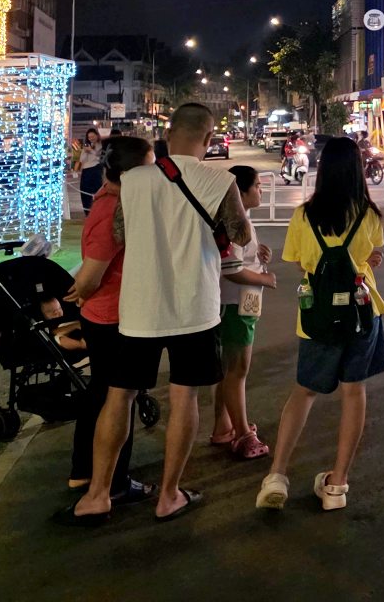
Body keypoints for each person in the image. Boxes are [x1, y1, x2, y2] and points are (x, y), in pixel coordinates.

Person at [64, 103, 252, 525]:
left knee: (119, 396)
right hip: (194, 310)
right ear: (208, 139)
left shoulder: (133, 180)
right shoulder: (219, 179)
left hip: (138, 308)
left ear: (168, 133)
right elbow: (241, 234)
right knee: (185, 396)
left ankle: (97, 495)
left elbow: (119, 234)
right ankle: (169, 496)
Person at [256, 137, 384, 513]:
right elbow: (371, 255)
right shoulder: (369, 214)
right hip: (363, 314)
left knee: (304, 392)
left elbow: (299, 263)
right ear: (358, 170)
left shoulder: (304, 215)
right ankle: (337, 485)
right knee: (353, 393)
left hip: (316, 318)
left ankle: (277, 474)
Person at [65, 136, 156, 502]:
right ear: (132, 173)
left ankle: (83, 471)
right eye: (149, 167)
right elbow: (92, 273)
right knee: (118, 400)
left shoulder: (111, 202)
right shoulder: (114, 210)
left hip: (103, 315)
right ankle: (115, 480)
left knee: (100, 393)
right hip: (113, 317)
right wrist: (82, 289)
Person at [212, 165, 276, 458]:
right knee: (238, 370)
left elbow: (241, 258)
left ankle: (223, 427)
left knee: (229, 370)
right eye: (258, 186)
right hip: (237, 303)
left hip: (239, 303)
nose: (261, 190)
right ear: (243, 190)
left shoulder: (241, 219)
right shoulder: (237, 222)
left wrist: (260, 256)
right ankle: (242, 434)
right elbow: (232, 270)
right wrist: (265, 278)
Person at [76, 128, 104, 214]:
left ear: (97, 136)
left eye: (92, 136)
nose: (91, 138)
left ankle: (99, 211)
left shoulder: (101, 145)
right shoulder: (87, 146)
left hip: (96, 169)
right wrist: (85, 151)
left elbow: (101, 158)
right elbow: (82, 160)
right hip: (86, 170)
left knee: (97, 191)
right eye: (89, 137)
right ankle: (87, 212)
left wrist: (91, 151)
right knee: (84, 192)